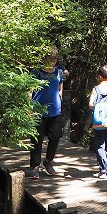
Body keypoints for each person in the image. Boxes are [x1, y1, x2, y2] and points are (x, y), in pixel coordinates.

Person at [28, 48, 65, 179]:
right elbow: (30, 91)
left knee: (55, 137)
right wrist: (29, 109)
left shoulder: (59, 72)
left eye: (55, 58)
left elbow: (60, 89)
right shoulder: (37, 72)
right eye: (50, 58)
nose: (53, 60)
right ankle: (35, 166)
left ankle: (48, 161)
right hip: (38, 111)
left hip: (55, 111)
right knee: (36, 139)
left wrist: (60, 103)